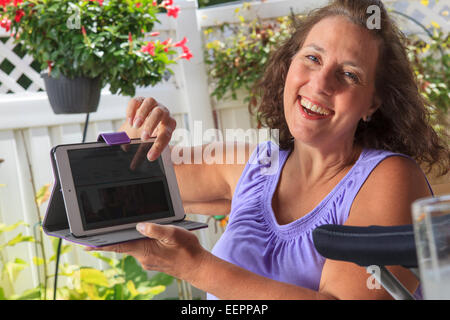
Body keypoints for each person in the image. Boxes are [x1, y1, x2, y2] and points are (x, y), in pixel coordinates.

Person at [86, 0, 449, 299]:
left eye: (349, 74)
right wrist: (130, 143)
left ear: (373, 104)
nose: (320, 83)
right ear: (288, 65)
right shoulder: (248, 166)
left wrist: (194, 266)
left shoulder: (390, 177)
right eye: (312, 58)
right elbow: (93, 197)